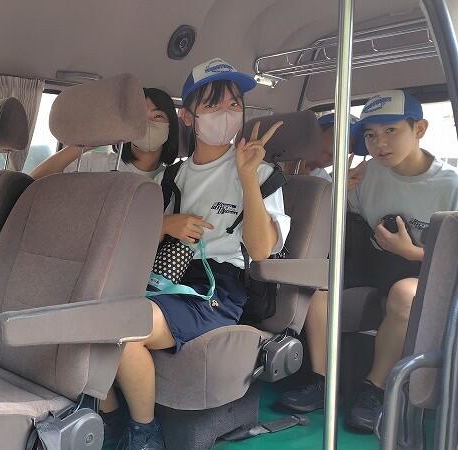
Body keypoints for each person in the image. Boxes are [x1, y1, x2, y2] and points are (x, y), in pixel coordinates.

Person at [103, 58, 290, 450]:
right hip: (166, 275)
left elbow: (261, 250)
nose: (226, 113)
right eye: (212, 105)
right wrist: (166, 224)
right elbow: (139, 237)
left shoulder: (261, 173)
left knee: (123, 328)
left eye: (234, 104)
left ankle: (144, 435)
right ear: (187, 117)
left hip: (218, 288)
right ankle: (109, 418)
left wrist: (246, 178)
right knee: (90, 316)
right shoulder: (173, 175)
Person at [278, 90, 458, 432]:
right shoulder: (366, 173)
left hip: (425, 269)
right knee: (316, 282)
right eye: (371, 135)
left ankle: (374, 389)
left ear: (419, 129)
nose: (380, 143)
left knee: (404, 295)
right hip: (371, 260)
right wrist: (340, 190)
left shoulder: (450, 185)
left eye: (391, 130)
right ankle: (323, 380)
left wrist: (412, 253)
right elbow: (339, 222)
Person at [29, 88, 178, 181]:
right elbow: (34, 181)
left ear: (170, 127)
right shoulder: (95, 163)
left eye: (158, 116)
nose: (147, 123)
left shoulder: (172, 179)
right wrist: (88, 143)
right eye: (139, 116)